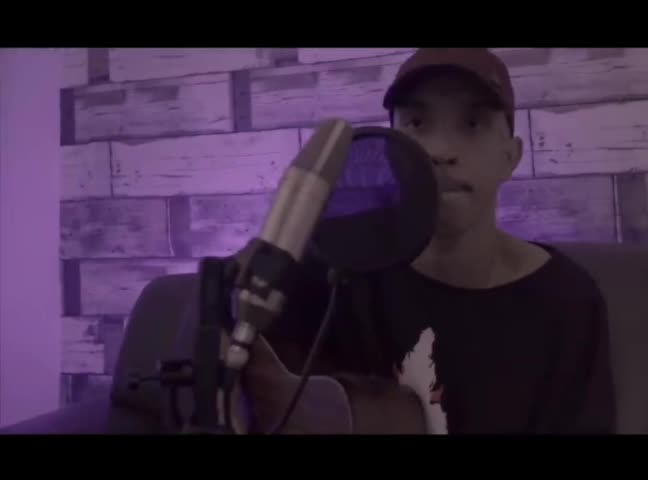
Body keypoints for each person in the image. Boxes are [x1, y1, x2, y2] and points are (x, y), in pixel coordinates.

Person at [257, 48, 615, 434]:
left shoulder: (568, 301)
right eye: (417, 123)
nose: (440, 152)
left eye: (472, 123)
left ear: (510, 156)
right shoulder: (336, 263)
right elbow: (232, 352)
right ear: (391, 152)